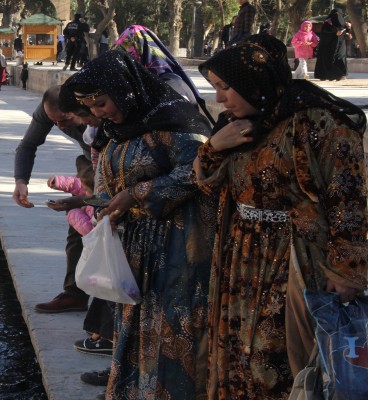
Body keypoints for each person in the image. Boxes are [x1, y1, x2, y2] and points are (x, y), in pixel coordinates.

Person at [193, 34, 367, 399]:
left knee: (280, 363)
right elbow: (208, 187)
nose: (219, 98)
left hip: (294, 261)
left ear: (253, 83)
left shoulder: (319, 123)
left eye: (226, 88)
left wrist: (347, 269)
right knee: (237, 355)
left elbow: (348, 198)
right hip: (241, 258)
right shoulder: (239, 126)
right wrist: (213, 148)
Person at [64, 48, 214, 399]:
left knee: (169, 329)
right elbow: (115, 185)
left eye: (101, 103)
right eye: (91, 108)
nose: (98, 114)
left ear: (124, 89)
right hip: (135, 248)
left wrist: (140, 193)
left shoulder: (175, 122)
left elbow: (201, 170)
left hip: (174, 248)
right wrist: (88, 202)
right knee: (136, 326)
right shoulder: (120, 130)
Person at [13, 86, 91, 313]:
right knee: (78, 227)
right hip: (90, 163)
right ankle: (74, 294)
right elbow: (28, 145)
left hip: (118, 165)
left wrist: (80, 200)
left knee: (106, 231)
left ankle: (110, 304)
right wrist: (21, 181)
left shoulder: (100, 112)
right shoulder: (51, 108)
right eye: (54, 121)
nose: (60, 127)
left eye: (65, 120)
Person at [315, 9, 349, 81]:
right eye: (335, 14)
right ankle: (325, 75)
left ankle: (342, 74)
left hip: (341, 44)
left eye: (338, 14)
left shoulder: (344, 23)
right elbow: (325, 32)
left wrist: (348, 29)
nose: (337, 16)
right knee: (327, 59)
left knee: (340, 58)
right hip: (328, 45)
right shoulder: (328, 23)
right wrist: (335, 32)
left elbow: (345, 33)